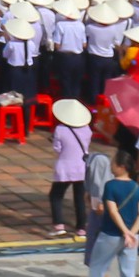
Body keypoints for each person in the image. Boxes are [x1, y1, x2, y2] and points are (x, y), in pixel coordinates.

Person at [80, 143, 139, 277]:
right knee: (128, 273)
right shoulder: (136, 188)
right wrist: (132, 233)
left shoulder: (110, 186)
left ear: (122, 167)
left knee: (97, 268)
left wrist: (124, 231)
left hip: (110, 234)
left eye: (114, 163)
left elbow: (112, 211)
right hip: (131, 238)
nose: (111, 165)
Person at [49, 97, 93, 238]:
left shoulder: (60, 129)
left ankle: (58, 225)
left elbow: (57, 148)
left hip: (65, 168)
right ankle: (81, 228)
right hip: (81, 168)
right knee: (79, 198)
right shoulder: (87, 129)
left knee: (56, 195)